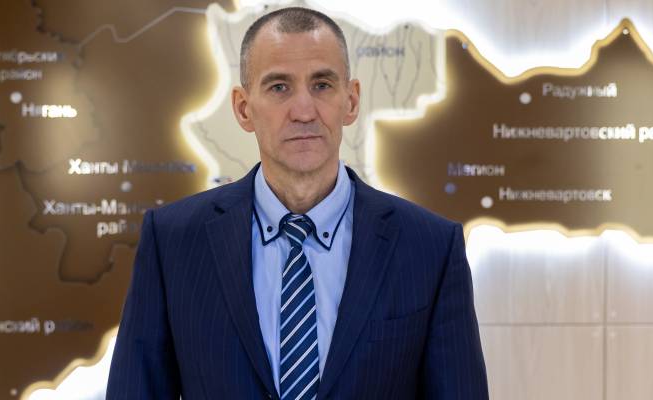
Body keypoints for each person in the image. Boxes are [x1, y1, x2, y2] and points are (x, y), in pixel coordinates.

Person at [106, 6, 488, 400]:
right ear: (243, 108)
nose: (304, 111)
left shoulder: (430, 248)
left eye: (322, 85)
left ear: (351, 100)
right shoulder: (172, 242)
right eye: (279, 87)